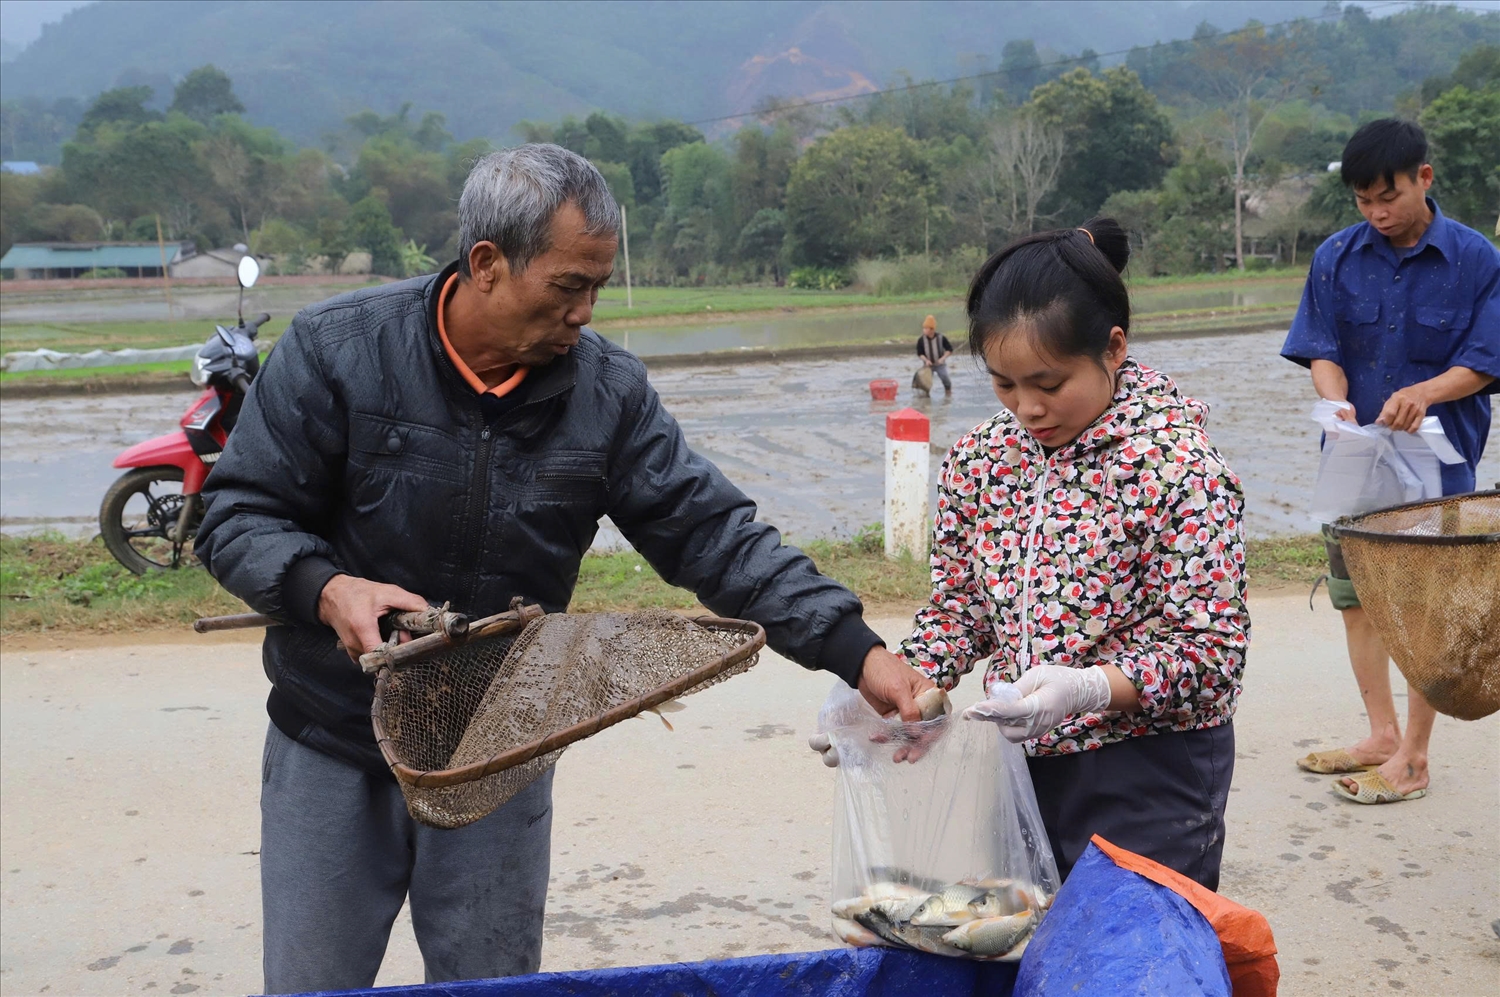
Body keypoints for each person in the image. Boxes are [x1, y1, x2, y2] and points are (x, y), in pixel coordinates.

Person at [193, 144, 929, 994]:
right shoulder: (338, 349)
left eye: (595, 288)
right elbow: (237, 514)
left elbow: (714, 535)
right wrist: (324, 587)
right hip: (330, 735)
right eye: (567, 286)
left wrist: (859, 652)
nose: (584, 314)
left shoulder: (606, 393)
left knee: (492, 984)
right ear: (487, 265)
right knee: (311, 983)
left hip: (503, 745)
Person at [818, 217, 1250, 889]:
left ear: (1113, 348)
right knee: (1030, 944)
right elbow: (962, 609)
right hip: (1021, 765)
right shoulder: (981, 461)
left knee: (1130, 965)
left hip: (1151, 769)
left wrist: (1087, 687)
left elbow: (1212, 650)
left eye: (1049, 384)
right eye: (1004, 384)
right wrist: (899, 690)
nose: (1028, 408)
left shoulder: (1177, 467)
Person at [1280, 119, 1499, 805]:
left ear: (1423, 180)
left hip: (1437, 470)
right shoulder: (1336, 258)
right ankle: (1379, 732)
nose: (1376, 213)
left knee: (1424, 613)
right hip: (1354, 460)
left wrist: (1426, 392)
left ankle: (1414, 755)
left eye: (1388, 196)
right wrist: (1336, 400)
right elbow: (1322, 350)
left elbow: (1486, 361)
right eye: (1362, 201)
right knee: (1357, 601)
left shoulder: (1477, 259)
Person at [916, 314, 954, 393]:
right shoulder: (921, 340)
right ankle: (925, 397)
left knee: (945, 379)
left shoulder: (941, 338)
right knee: (925, 384)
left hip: (940, 364)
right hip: (928, 365)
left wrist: (942, 359)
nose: (924, 330)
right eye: (924, 328)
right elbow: (920, 353)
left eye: (926, 328)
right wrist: (926, 360)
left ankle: (948, 393)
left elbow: (949, 349)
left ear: (932, 329)